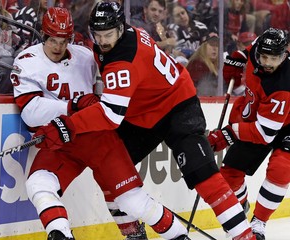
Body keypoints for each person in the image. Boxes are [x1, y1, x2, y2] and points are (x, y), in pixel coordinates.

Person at [33, 2, 257, 240]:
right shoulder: (120, 38)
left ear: (120, 28)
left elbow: (110, 114)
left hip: (178, 108)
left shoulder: (123, 58)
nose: (103, 40)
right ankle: (134, 234)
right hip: (142, 115)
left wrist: (69, 125)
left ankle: (244, 236)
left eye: (108, 34)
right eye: (97, 35)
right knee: (109, 170)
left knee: (203, 173)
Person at [11, 7, 190, 240]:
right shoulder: (26, 62)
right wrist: (72, 106)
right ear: (43, 36)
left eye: (64, 41)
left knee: (130, 200)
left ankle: (178, 235)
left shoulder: (86, 56)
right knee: (38, 183)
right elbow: (31, 113)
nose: (58, 47)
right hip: (62, 140)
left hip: (98, 137)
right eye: (53, 40)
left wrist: (89, 104)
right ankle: (60, 234)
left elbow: (106, 98)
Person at [207, 27, 290, 240]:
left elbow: (264, 134)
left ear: (284, 55)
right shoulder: (257, 50)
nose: (268, 63)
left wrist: (228, 133)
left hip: (284, 126)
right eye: (263, 57)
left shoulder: (283, 83)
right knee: (229, 174)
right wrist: (239, 58)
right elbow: (249, 51)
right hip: (258, 118)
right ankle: (240, 205)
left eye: (274, 58)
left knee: (281, 169)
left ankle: (258, 223)